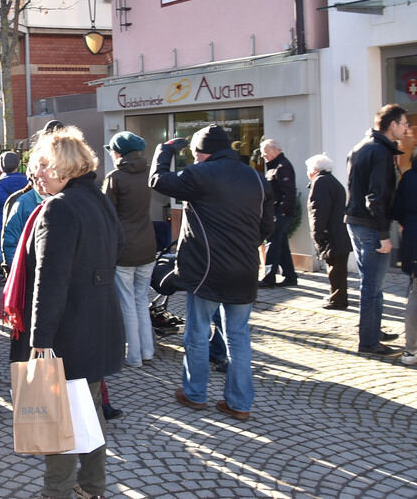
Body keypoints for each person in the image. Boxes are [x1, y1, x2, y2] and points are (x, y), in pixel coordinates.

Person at [4, 126, 124, 499]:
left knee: (59, 417)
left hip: (68, 334)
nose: (35, 173)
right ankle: (92, 487)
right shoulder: (97, 198)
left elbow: (49, 282)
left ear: (60, 168)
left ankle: (56, 492)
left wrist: (41, 343)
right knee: (89, 413)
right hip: (98, 325)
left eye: (41, 165)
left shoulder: (60, 207)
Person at [150, 125, 274, 422]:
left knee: (197, 332)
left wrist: (164, 150)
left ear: (200, 152)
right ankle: (240, 403)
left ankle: (195, 394)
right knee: (239, 337)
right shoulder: (256, 177)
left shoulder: (200, 173)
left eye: (194, 153)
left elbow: (157, 181)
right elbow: (267, 226)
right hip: (244, 270)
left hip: (206, 271)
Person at [345, 104, 408, 356]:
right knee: (373, 285)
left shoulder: (361, 146)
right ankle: (369, 341)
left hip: (356, 221)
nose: (406, 128)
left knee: (369, 283)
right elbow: (376, 196)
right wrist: (384, 235)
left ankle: (371, 330)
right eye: (404, 123)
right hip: (371, 226)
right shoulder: (380, 151)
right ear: (392, 125)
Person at [102, 131, 157, 368]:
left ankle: (133, 356)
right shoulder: (149, 173)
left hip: (124, 248)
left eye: (112, 150)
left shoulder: (115, 177)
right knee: (141, 300)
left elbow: (106, 214)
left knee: (127, 302)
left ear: (119, 153)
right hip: (147, 244)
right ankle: (147, 351)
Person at [305, 153, 353, 309]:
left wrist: (317, 234)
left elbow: (318, 211)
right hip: (338, 231)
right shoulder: (331, 181)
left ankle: (338, 300)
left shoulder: (320, 183)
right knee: (337, 267)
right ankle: (337, 296)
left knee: (335, 268)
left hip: (331, 233)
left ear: (314, 169)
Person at [259, 138, 299, 288]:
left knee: (272, 243)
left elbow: (288, 193)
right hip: (276, 212)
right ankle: (290, 276)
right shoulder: (274, 166)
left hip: (280, 213)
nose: (263, 156)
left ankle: (269, 278)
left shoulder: (283, 166)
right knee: (281, 244)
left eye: (264, 153)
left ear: (274, 150)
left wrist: (281, 213)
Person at [391, 149, 417, 367]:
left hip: (413, 239)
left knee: (415, 294)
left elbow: (397, 210)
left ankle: (411, 350)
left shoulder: (408, 178)